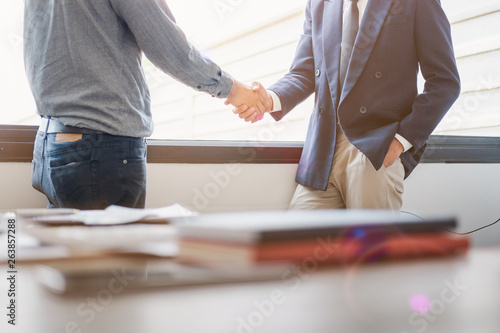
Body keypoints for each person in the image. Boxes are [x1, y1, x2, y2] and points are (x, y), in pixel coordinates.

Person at [24, 0, 265, 209]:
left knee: (70, 260)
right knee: (115, 261)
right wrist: (233, 90)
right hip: (99, 149)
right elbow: (168, 45)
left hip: (51, 145)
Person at [233, 0, 461, 210]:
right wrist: (268, 99)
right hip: (321, 152)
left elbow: (445, 82)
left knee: (370, 253)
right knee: (297, 248)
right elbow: (304, 72)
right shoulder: (319, 3)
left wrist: (399, 142)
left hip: (376, 149)